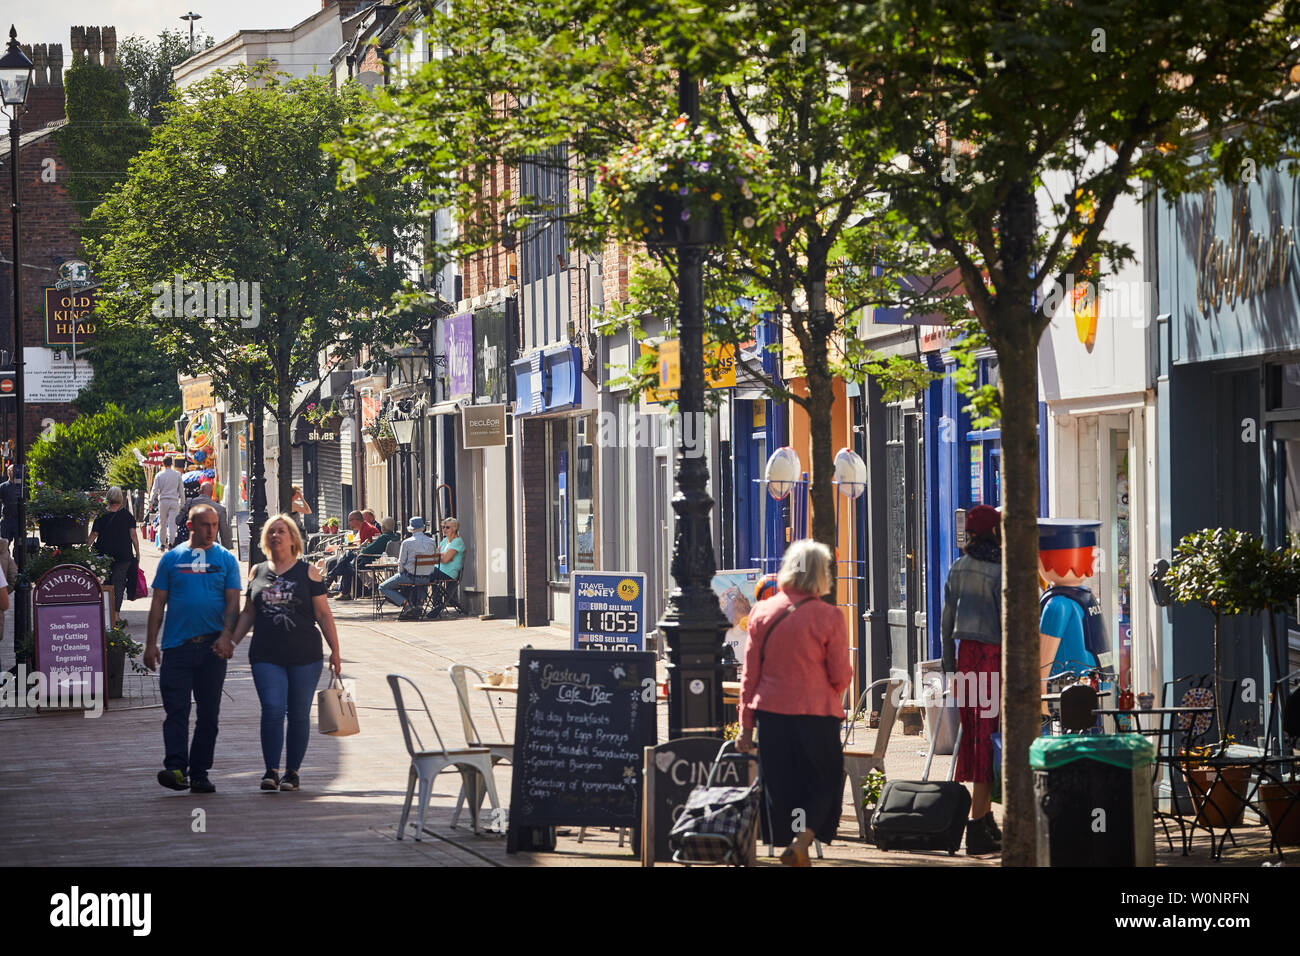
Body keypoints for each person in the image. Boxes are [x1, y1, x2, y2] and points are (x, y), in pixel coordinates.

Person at [737, 539, 851, 867]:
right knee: (823, 779)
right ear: (821, 574)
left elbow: (750, 676)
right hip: (816, 713)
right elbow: (840, 674)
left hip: (772, 714)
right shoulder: (829, 616)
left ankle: (789, 842)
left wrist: (746, 725)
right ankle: (802, 841)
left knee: (782, 782)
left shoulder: (761, 611)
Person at [215, 514, 341, 792]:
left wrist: (336, 651)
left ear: (293, 538)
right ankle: (271, 770)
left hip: (305, 655)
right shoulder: (257, 571)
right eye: (271, 532)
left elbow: (323, 614)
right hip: (265, 653)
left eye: (281, 531)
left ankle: (292, 772)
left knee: (298, 714)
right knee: (272, 709)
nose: (275, 535)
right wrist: (232, 642)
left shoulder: (309, 572)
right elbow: (249, 613)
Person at [144, 504, 242, 793]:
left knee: (209, 714)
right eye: (204, 525)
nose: (211, 530)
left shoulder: (225, 559)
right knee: (177, 710)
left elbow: (233, 602)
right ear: (190, 526)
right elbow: (158, 603)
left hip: (212, 648)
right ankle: (175, 768)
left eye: (214, 525)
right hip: (177, 647)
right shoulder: (172, 559)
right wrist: (151, 644)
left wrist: (227, 636)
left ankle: (200, 772)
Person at [939, 503, 1004, 856]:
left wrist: (950, 670)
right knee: (990, 739)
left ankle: (985, 819)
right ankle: (977, 827)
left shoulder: (958, 567)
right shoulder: (1001, 570)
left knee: (976, 738)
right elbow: (1008, 624)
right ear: (995, 532)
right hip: (993, 660)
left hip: (966, 661)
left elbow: (945, 625)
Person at [87, 486, 141, 613]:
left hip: (103, 555)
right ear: (121, 499)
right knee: (119, 584)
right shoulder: (127, 515)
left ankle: (106, 614)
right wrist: (137, 553)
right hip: (123, 555)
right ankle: (116, 615)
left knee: (104, 583)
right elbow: (134, 535)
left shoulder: (101, 515)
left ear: (108, 498)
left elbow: (94, 534)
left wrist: (85, 548)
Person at [380, 516, 441, 620]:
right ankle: (420, 603)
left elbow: (401, 562)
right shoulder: (431, 541)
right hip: (426, 578)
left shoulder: (407, 542)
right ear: (423, 528)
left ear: (411, 529)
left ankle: (406, 604)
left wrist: (400, 573)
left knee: (382, 587)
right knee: (421, 578)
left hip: (410, 577)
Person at [336, 516, 398, 600]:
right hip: (387, 560)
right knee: (348, 560)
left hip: (372, 560)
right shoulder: (396, 537)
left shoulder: (383, 537)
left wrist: (361, 550)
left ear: (383, 527)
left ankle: (344, 589)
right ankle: (353, 589)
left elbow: (367, 550)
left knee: (348, 563)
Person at [426, 516, 466, 615]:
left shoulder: (457, 542)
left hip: (449, 572)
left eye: (447, 527)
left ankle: (432, 604)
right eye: (444, 527)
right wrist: (442, 556)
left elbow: (446, 559)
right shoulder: (445, 541)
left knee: (423, 575)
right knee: (422, 575)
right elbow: (437, 555)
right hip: (438, 569)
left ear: (455, 528)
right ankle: (436, 605)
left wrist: (442, 556)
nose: (444, 529)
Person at [178, 480, 232, 550]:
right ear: (212, 493)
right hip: (211, 547)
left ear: (200, 491)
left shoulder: (189, 503)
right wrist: (226, 550)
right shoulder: (220, 509)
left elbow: (178, 521)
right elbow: (224, 532)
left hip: (191, 546)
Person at [148, 456, 184, 550]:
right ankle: (171, 543)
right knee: (173, 524)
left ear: (163, 464)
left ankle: (162, 544)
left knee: (162, 523)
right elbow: (181, 491)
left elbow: (154, 490)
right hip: (174, 501)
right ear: (172, 463)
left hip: (163, 501)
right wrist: (182, 504)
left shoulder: (159, 475)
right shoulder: (177, 475)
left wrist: (150, 503)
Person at [0, 465, 20, 543]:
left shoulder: (21, 487)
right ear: (8, 472)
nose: (15, 472)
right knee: (4, 544)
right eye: (12, 470)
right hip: (6, 520)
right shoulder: (3, 486)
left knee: (19, 547)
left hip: (18, 520)